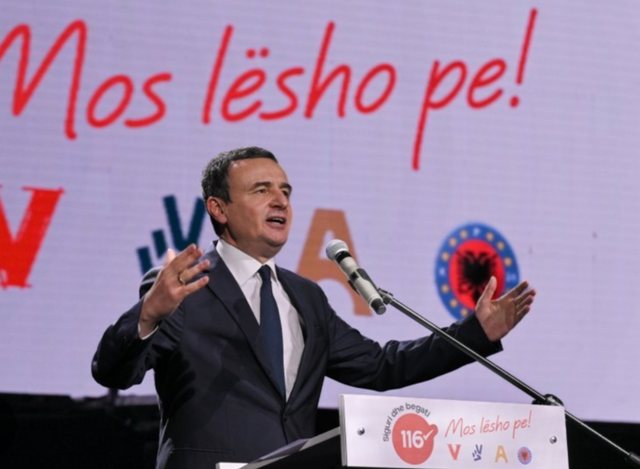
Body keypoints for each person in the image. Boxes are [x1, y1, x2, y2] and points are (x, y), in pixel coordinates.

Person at [92, 146, 535, 469]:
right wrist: (148, 315)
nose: (280, 201)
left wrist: (475, 333)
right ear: (219, 208)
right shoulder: (184, 286)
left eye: (285, 190)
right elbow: (113, 373)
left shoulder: (306, 297)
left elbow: (383, 367)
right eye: (261, 190)